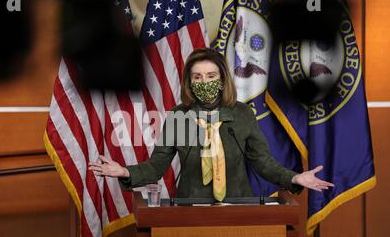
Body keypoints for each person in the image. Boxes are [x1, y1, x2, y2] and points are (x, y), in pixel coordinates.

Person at [89, 48, 334, 200]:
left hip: (238, 206)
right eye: (197, 77)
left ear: (221, 79)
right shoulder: (180, 116)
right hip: (189, 207)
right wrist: (126, 172)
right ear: (189, 81)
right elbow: (157, 166)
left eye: (210, 76)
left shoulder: (241, 114)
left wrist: (294, 178)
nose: (203, 81)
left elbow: (263, 163)